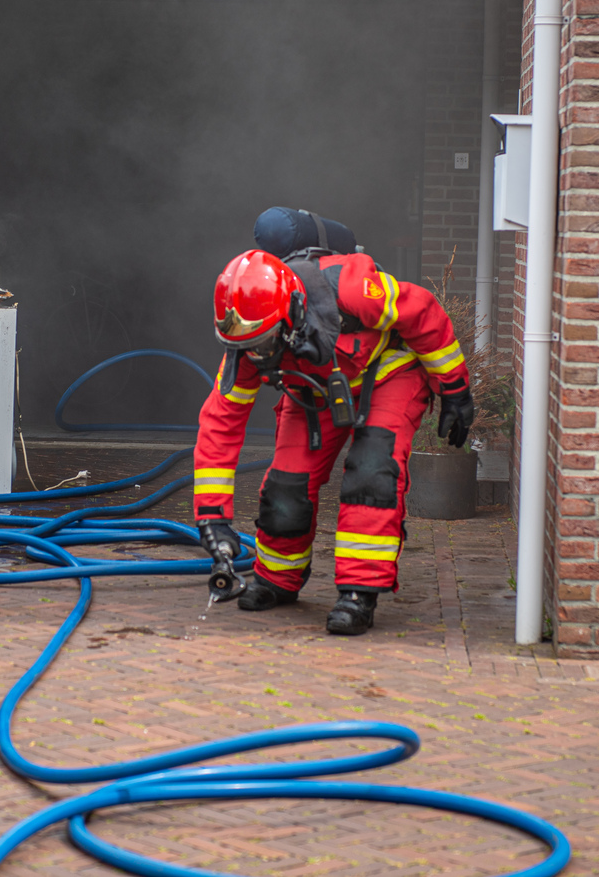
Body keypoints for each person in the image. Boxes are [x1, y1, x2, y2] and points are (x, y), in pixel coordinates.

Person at [193, 247, 474, 635]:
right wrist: (212, 517)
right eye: (246, 347)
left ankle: (359, 593)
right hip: (315, 390)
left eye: (264, 344)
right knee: (285, 485)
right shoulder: (245, 346)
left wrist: (455, 386)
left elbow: (423, 311)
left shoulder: (354, 290)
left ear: (289, 315)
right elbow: (220, 426)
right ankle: (277, 578)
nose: (256, 358)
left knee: (372, 475)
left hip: (388, 373)